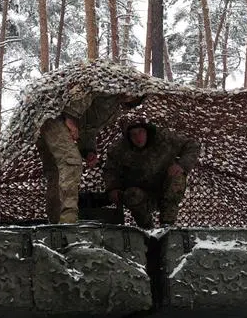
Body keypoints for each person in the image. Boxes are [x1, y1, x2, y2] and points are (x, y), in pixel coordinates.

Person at [37, 92, 144, 224]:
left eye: (136, 96)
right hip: (55, 115)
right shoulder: (106, 86)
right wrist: (71, 116)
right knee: (72, 162)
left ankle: (55, 225)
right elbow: (84, 88)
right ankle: (67, 223)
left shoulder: (115, 109)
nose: (131, 95)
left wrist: (88, 151)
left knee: (56, 175)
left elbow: (88, 128)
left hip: (57, 121)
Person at [101, 116, 200, 228]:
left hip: (165, 187)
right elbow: (110, 170)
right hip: (140, 193)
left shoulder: (164, 138)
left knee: (177, 179)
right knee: (132, 195)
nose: (138, 137)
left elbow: (192, 145)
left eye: (141, 132)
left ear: (147, 131)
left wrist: (182, 164)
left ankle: (167, 226)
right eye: (133, 134)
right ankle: (146, 230)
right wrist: (113, 188)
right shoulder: (119, 149)